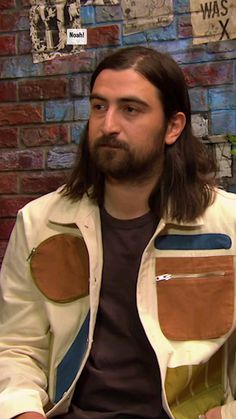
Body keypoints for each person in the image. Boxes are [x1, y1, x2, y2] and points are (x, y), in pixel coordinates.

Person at [0, 46, 235, 419]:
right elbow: (15, 346)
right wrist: (22, 411)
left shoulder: (228, 224)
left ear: (173, 127)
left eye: (130, 109)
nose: (108, 125)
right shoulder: (40, 223)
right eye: (98, 106)